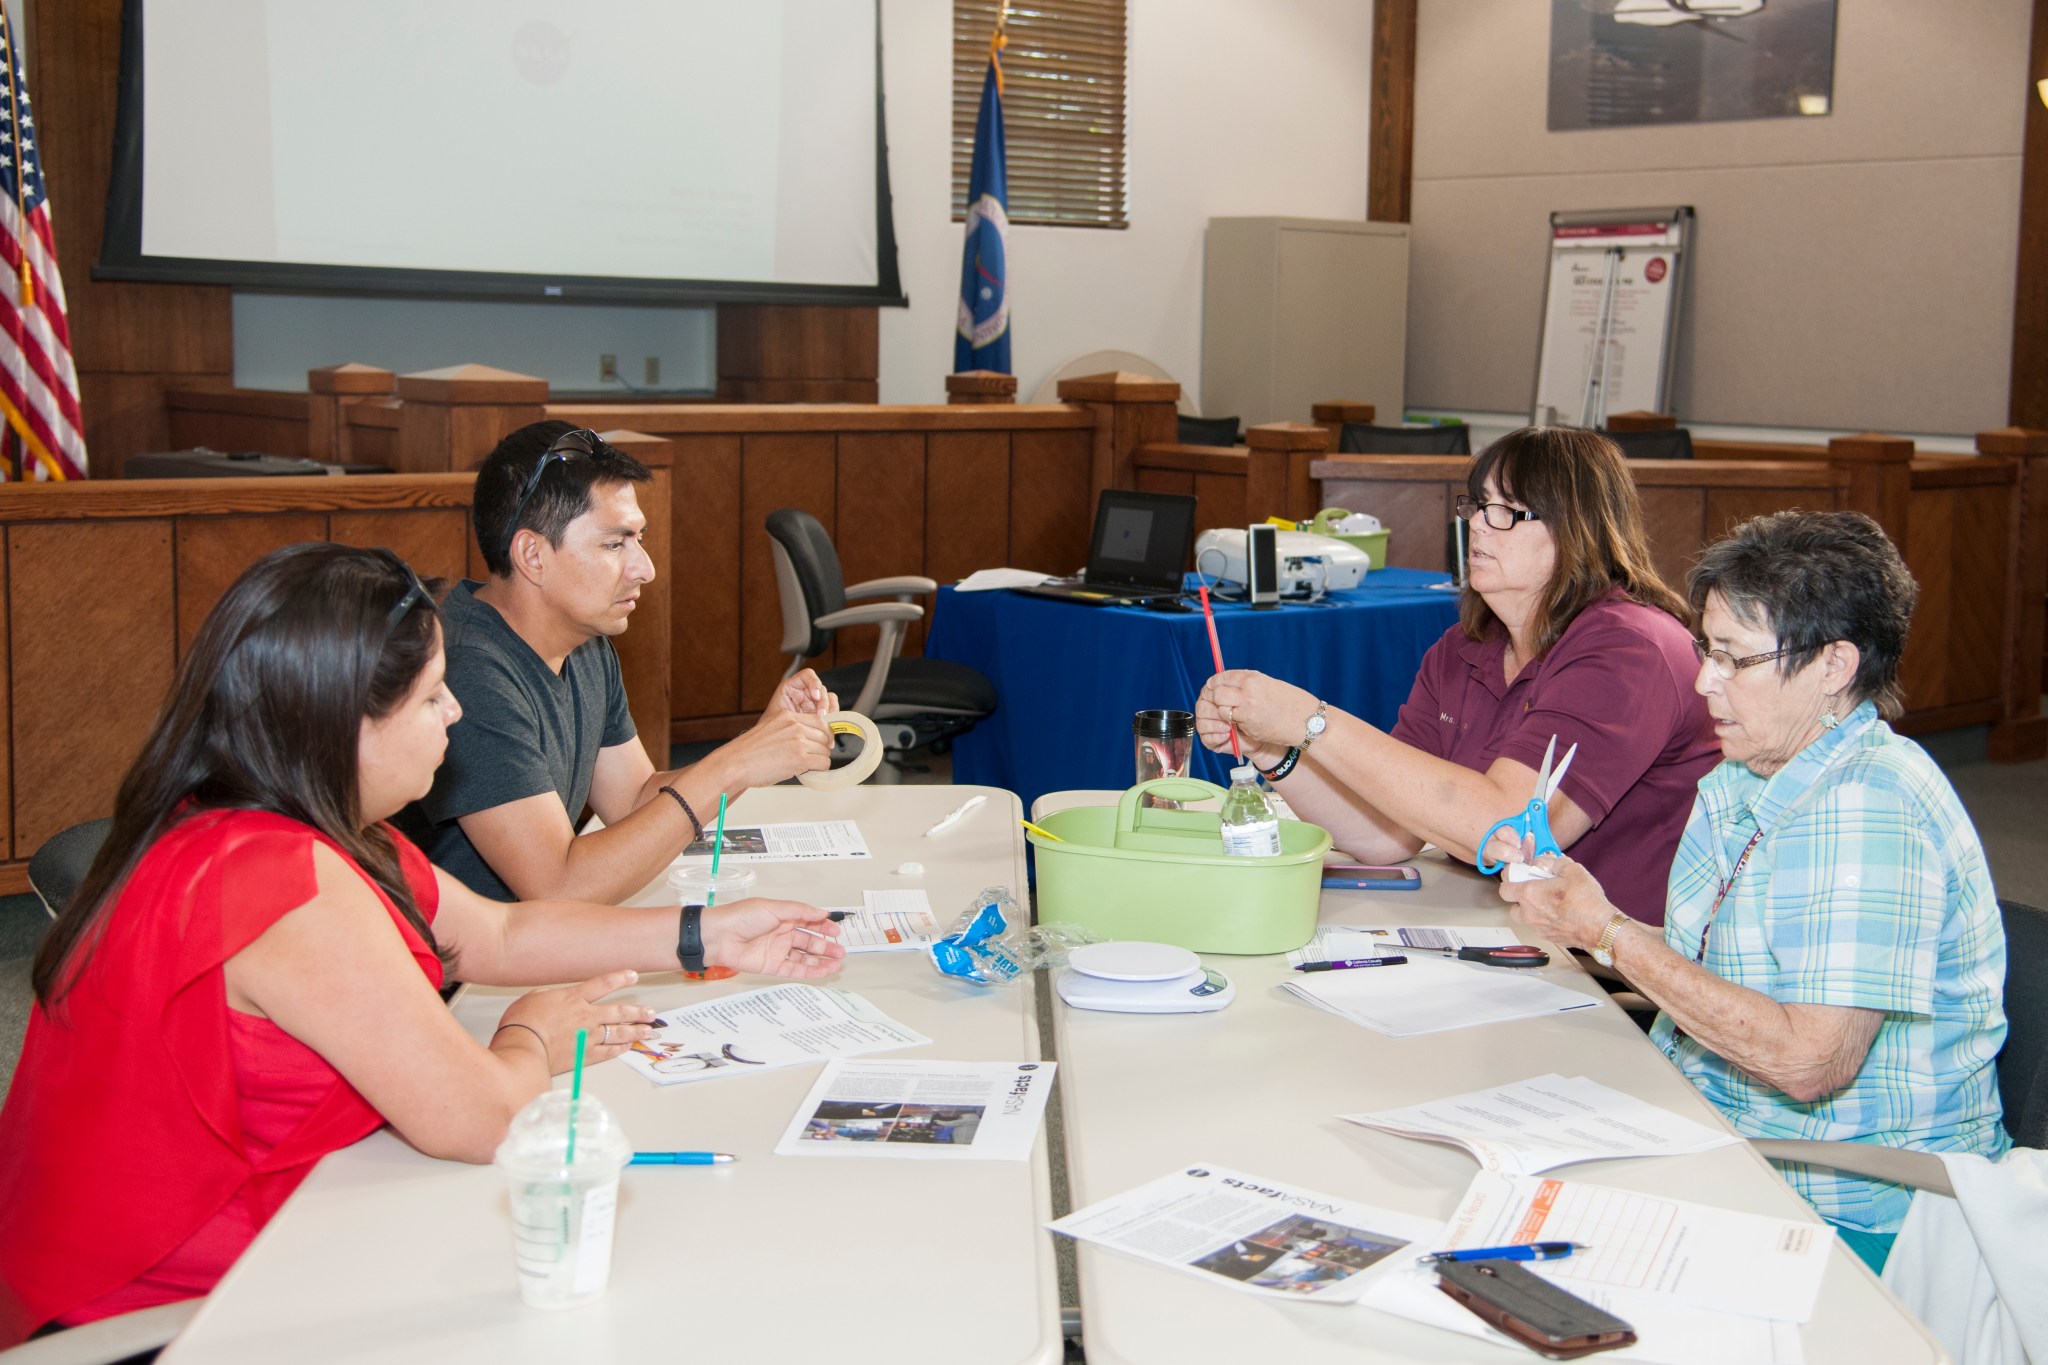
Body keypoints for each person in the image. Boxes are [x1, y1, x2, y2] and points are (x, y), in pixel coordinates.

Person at [0, 545, 845, 1343]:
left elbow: (497, 929)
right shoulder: (279, 880)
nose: (457, 710)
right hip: (162, 1308)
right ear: (348, 725)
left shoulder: (296, 815)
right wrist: (532, 1039)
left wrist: (708, 933)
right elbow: (479, 1117)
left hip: (271, 1235)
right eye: (434, 694)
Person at [1497, 510, 2008, 1272]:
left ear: (1834, 666)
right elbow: (1730, 979)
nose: (1705, 680)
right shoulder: (1744, 774)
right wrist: (1583, 915)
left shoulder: (1868, 805)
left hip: (1850, 1206)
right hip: (1729, 1140)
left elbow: (1809, 1062)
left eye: (1734, 659)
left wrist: (1608, 932)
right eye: (1708, 650)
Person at [1197, 427, 1719, 922]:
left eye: (1508, 511)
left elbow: (1513, 830)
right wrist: (1274, 749)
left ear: (1578, 528)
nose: (1477, 524)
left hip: (1611, 971)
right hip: (1509, 934)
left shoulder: (1629, 649)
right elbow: (1388, 835)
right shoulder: (1467, 646)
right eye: (1477, 505)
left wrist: (1310, 720)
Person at [397, 421, 837, 904]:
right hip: (462, 976)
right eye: (614, 544)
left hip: (528, 951)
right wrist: (736, 764)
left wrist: (758, 745)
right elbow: (560, 887)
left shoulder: (583, 640)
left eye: (639, 539)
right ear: (532, 555)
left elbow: (633, 802)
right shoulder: (465, 669)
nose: (644, 569)